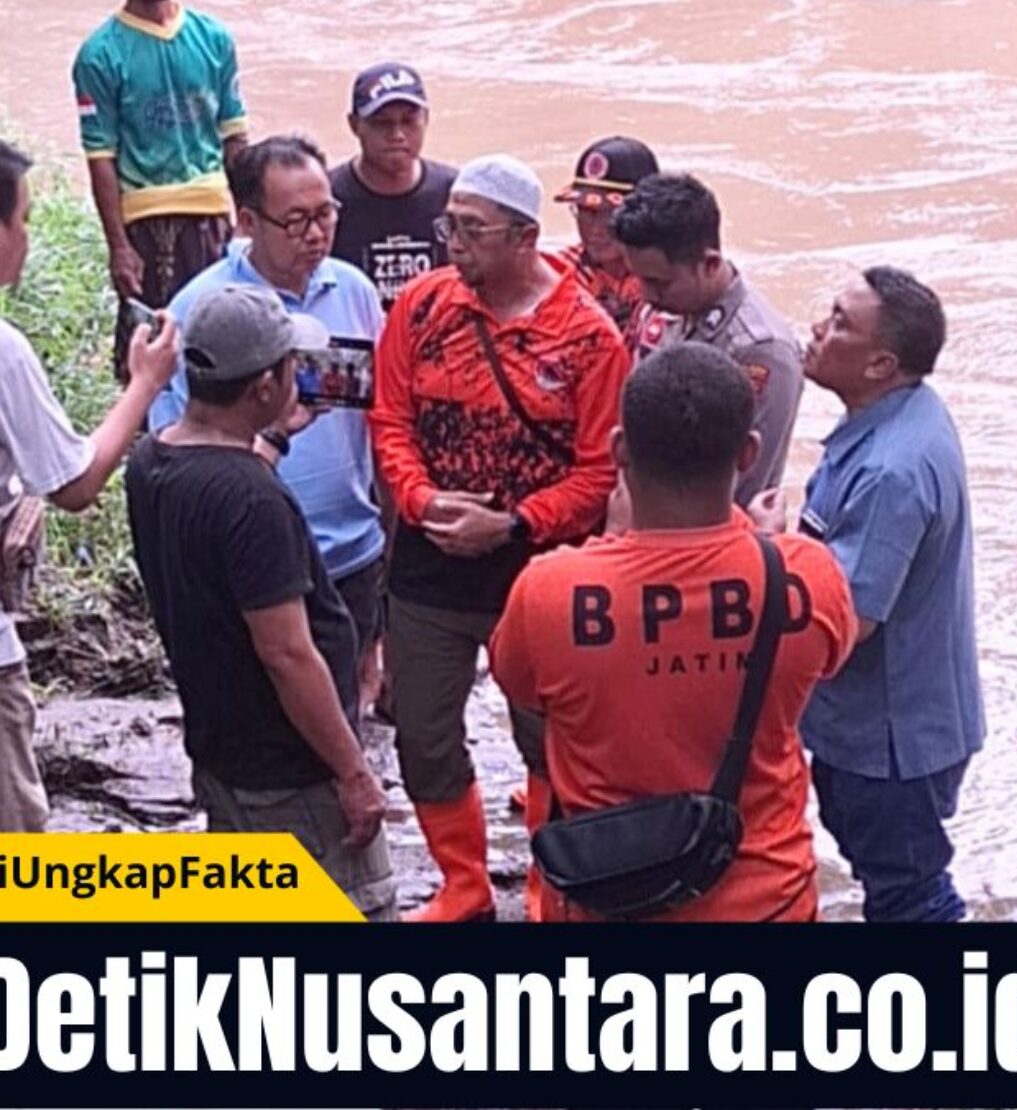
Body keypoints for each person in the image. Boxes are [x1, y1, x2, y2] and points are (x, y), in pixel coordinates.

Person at [490, 342, 857, 922]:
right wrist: (756, 544)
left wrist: (611, 544)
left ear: (618, 451)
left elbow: (522, 687)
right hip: (769, 901)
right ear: (748, 454)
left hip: (607, 898)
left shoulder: (548, 591)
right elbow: (828, 662)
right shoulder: (806, 576)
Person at [370, 153, 629, 922]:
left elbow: (597, 471)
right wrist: (420, 500)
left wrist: (513, 524)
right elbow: (388, 420)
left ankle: (553, 881)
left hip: (538, 570)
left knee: (550, 740)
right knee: (421, 729)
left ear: (523, 238)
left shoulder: (589, 337)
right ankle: (463, 883)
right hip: (428, 561)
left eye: (472, 229)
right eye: (449, 224)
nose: (453, 240)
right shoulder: (420, 307)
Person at [127, 285, 396, 920]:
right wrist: (354, 773)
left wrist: (271, 440)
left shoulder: (152, 458)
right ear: (263, 387)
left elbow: (225, 501)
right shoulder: (252, 500)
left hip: (224, 756)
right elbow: (287, 654)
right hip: (294, 775)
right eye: (288, 368)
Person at [150, 136, 386, 713]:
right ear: (248, 221)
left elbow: (384, 421)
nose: (316, 234)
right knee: (262, 730)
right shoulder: (199, 312)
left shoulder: (352, 289)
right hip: (253, 565)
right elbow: (179, 451)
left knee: (343, 709)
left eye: (326, 213)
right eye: (297, 220)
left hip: (352, 551)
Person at [793, 267, 985, 922]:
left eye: (842, 322)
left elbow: (851, 619)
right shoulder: (907, 414)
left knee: (911, 896)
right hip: (897, 720)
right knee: (898, 879)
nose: (820, 327)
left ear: (881, 363)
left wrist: (766, 560)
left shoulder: (891, 468)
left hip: (890, 738)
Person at [0, 139, 179, 832]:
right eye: (21, 221)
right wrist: (145, 384)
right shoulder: (6, 351)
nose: (25, 239)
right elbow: (76, 481)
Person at [72, 0, 248, 379]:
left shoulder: (214, 39)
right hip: (147, 225)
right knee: (148, 361)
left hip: (212, 216)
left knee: (223, 356)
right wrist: (118, 246)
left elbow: (235, 139)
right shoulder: (100, 55)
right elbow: (100, 157)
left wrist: (249, 217)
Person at [614, 172, 803, 506]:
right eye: (640, 279)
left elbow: (747, 488)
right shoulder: (666, 308)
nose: (646, 296)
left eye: (659, 283)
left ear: (710, 263)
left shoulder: (761, 352)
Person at [329, 62, 455, 311]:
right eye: (382, 123)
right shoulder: (326, 198)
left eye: (409, 121)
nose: (397, 134)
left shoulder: (455, 195)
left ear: (426, 120)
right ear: (354, 125)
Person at [552, 135, 658, 342]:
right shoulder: (558, 274)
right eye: (585, 212)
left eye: (609, 214)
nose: (595, 229)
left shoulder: (670, 280)